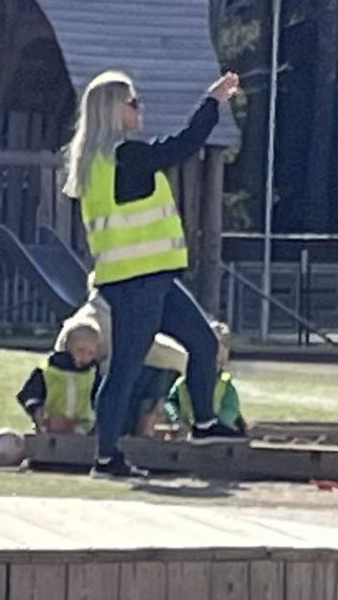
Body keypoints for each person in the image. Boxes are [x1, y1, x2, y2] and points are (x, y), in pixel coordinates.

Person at [63, 67, 246, 477]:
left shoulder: (103, 162)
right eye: (132, 102)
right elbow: (183, 145)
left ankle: (203, 423)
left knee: (202, 342)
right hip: (136, 282)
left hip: (153, 277)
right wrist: (212, 102)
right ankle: (107, 458)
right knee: (126, 367)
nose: (139, 107)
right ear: (113, 111)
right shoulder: (124, 158)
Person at [17, 311, 102, 434]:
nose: (85, 357)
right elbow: (28, 395)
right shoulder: (48, 371)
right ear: (67, 347)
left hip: (83, 430)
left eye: (91, 353)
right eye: (80, 350)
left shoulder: (93, 375)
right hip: (49, 427)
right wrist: (37, 411)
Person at [164, 321, 249, 437]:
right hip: (186, 431)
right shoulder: (182, 382)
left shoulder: (225, 385)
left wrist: (218, 425)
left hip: (217, 434)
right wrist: (177, 419)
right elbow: (170, 403)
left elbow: (230, 409)